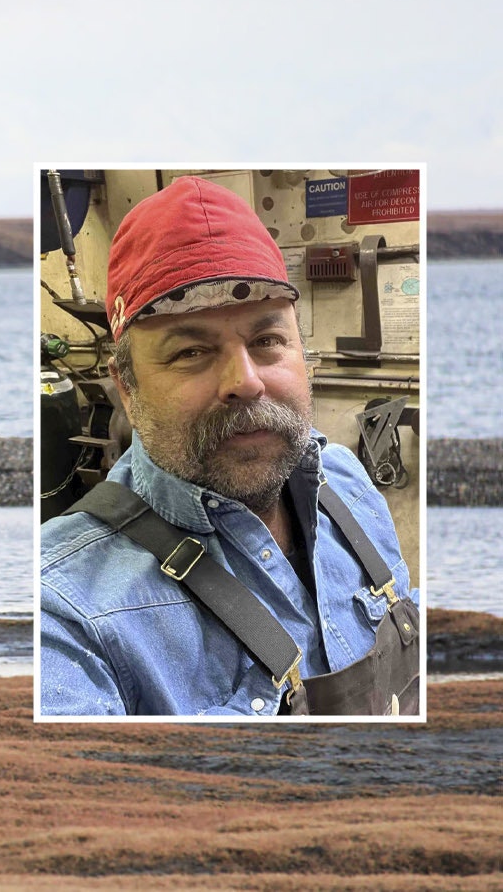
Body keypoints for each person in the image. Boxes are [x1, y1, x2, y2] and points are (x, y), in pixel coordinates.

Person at [39, 176, 419, 717]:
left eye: (267, 341)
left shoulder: (345, 480)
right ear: (126, 386)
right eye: (192, 351)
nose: (245, 381)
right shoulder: (64, 609)